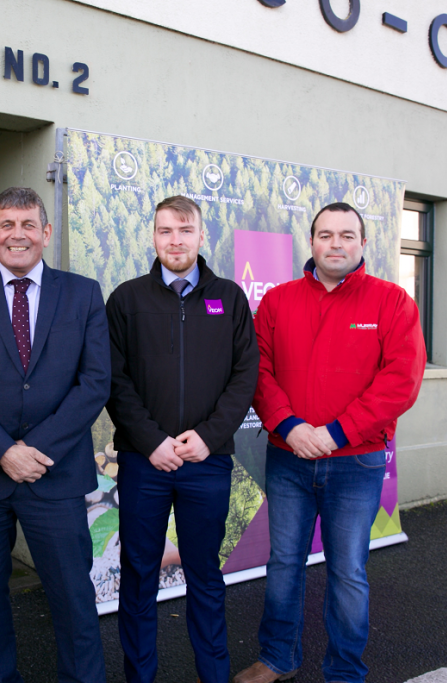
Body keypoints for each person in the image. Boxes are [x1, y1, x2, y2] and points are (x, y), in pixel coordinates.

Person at [234, 202, 426, 683]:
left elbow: (400, 382)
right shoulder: (278, 301)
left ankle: (344, 671)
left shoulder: (393, 302)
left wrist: (335, 433)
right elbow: (259, 370)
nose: (335, 243)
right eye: (325, 235)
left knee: (347, 574)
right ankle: (278, 658)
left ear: (363, 243)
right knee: (283, 565)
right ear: (312, 242)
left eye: (346, 235)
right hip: (288, 459)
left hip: (355, 464)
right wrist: (290, 425)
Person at [0, 187, 111, 683]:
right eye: (7, 225)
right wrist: (3, 452)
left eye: (28, 224)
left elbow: (94, 383)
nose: (18, 235)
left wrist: (34, 450)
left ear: (46, 233)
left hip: (54, 476)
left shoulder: (83, 294)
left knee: (74, 602)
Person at [105, 195, 259, 683]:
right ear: (153, 236)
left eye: (185, 230)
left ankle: (214, 676)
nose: (175, 240)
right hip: (143, 463)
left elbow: (245, 376)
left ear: (200, 235)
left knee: (206, 579)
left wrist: (209, 438)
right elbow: (114, 378)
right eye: (166, 230)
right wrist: (152, 442)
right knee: (138, 579)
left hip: (206, 464)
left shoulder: (229, 298)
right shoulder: (127, 299)